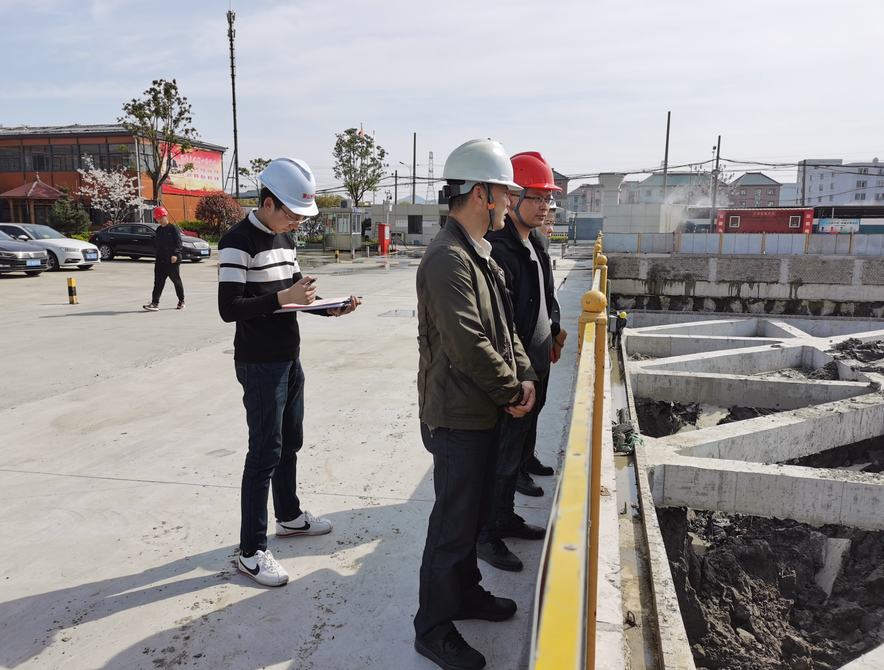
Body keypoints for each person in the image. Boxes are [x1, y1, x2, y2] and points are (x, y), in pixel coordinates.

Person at [414, 139, 537, 670]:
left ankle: (464, 593)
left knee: (471, 517)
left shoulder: (478, 253)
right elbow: (468, 343)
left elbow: (506, 330)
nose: (510, 202)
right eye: (505, 193)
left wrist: (525, 376)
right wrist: (512, 391)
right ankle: (432, 626)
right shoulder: (447, 258)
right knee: (452, 524)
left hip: (481, 411)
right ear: (482, 193)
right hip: (456, 416)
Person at [217, 157, 360, 588]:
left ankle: (290, 517)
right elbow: (229, 308)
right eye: (293, 213)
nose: (297, 222)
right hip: (259, 362)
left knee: (289, 443)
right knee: (264, 453)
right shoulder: (237, 241)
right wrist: (283, 298)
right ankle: (251, 552)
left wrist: (328, 308)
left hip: (288, 356)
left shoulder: (284, 238)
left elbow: (296, 295)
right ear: (268, 203)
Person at [476, 152, 564, 572]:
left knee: (518, 453)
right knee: (502, 458)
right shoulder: (500, 249)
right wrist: (514, 379)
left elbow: (548, 296)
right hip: (518, 373)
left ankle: (506, 516)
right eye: (537, 198)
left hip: (539, 366)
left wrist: (555, 330)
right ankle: (486, 534)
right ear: (511, 198)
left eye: (549, 199)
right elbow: (500, 325)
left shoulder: (537, 242)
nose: (545, 207)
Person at [143, 206, 185, 311]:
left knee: (176, 281)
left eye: (161, 218)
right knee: (158, 283)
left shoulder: (173, 229)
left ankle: (181, 300)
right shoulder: (159, 230)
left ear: (165, 216)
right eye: (157, 219)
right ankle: (155, 303)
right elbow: (158, 244)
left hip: (172, 261)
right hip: (160, 261)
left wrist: (175, 254)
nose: (159, 220)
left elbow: (179, 243)